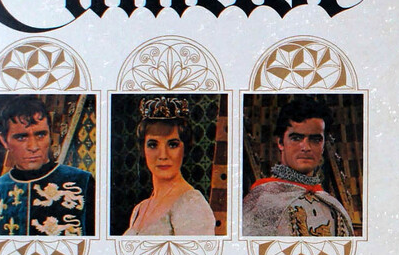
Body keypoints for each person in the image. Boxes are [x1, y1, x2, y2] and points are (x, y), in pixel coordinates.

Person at [0, 95, 95, 236]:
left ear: (50, 135)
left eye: (40, 135)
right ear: (4, 141)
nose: (33, 147)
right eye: (21, 137)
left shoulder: (82, 182)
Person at [242, 95, 353, 237]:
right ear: (280, 143)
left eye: (315, 139)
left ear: (323, 146)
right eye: (296, 138)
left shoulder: (333, 206)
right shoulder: (261, 203)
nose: (306, 147)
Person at [124, 96, 216, 236]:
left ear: (185, 149)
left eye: (172, 145)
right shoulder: (140, 208)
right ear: (143, 149)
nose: (163, 155)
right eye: (153, 145)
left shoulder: (191, 203)